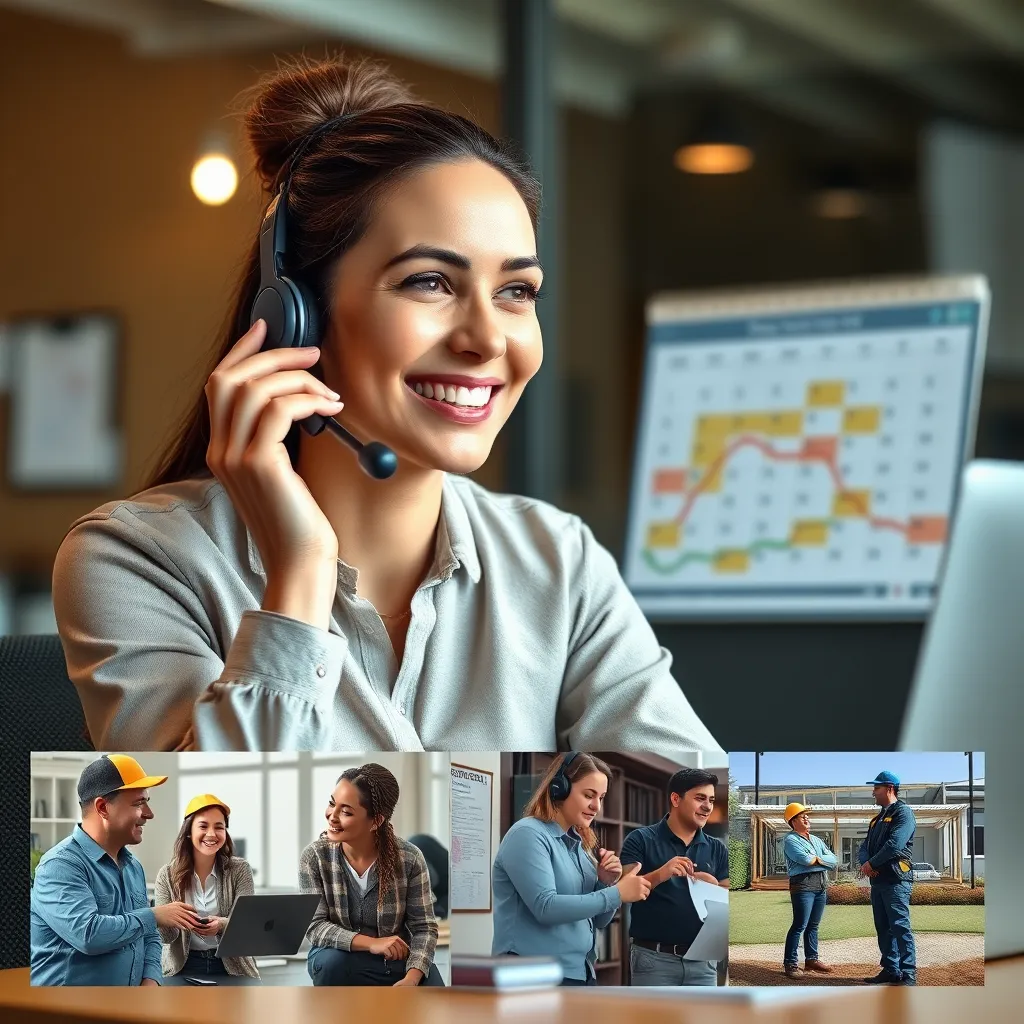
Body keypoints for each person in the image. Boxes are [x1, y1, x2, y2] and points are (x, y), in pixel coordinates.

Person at [51, 53, 720, 757]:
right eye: (430, 281)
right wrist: (300, 574)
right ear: (295, 317)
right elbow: (196, 848)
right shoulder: (135, 557)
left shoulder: (557, 561)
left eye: (517, 292)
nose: (487, 338)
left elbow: (693, 826)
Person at [30, 755, 199, 985]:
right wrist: (155, 915)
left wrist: (151, 980)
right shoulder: (59, 866)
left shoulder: (133, 867)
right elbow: (88, 935)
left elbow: (149, 936)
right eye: (139, 803)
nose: (149, 813)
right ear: (102, 808)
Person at [491, 752, 652, 986]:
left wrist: (605, 882)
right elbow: (545, 907)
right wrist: (617, 893)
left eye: (602, 797)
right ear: (560, 788)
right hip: (533, 975)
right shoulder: (528, 834)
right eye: (589, 795)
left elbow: (598, 921)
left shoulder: (579, 844)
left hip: (580, 973)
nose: (596, 806)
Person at [299, 763, 442, 986]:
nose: (332, 816)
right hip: (336, 956)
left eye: (346, 812)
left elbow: (424, 928)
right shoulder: (314, 857)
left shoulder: (410, 859)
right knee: (332, 964)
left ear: (376, 821)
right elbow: (315, 926)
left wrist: (412, 978)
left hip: (395, 962)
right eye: (331, 804)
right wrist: (371, 943)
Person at [619, 767, 729, 986]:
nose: (707, 806)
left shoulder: (717, 848)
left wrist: (715, 886)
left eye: (711, 800)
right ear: (676, 799)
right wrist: (662, 873)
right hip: (653, 960)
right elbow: (623, 891)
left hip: (703, 962)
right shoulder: (640, 839)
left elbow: (729, 898)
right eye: (700, 798)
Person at [154, 794, 260, 983]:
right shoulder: (167, 875)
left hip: (232, 966)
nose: (211, 834)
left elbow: (249, 926)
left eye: (219, 827)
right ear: (189, 832)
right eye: (203, 826)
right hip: (183, 966)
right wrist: (172, 918)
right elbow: (166, 937)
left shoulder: (240, 869)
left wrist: (220, 925)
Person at [858, 770, 917, 986]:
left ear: (889, 788)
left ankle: (908, 974)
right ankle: (891, 970)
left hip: (896, 880)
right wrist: (866, 864)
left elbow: (894, 845)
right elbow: (864, 847)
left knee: (900, 926)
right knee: (883, 927)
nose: (873, 792)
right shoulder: (877, 820)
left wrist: (871, 863)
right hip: (878, 881)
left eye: (876, 788)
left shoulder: (904, 813)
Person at [781, 802, 837, 979]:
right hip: (803, 886)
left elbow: (834, 860)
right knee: (799, 925)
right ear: (793, 820)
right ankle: (790, 964)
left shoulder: (817, 840)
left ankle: (812, 960)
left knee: (813, 926)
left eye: (806, 815)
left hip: (820, 886)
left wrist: (817, 859)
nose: (806, 818)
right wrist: (822, 861)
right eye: (801, 815)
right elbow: (805, 860)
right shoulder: (790, 840)